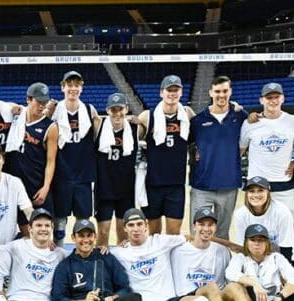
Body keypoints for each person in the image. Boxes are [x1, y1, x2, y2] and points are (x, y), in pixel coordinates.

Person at [171, 208, 267, 301]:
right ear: (194, 226)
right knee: (211, 287)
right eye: (201, 224)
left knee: (235, 286)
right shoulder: (177, 251)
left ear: (216, 228)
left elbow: (227, 285)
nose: (206, 229)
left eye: (210, 225)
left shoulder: (222, 251)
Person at [230, 177, 294, 301]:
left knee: (293, 295)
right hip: (264, 256)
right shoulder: (241, 214)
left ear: (268, 192)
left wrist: (283, 276)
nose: (256, 195)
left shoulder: (281, 211)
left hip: (293, 255)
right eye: (251, 191)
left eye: (260, 191)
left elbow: (286, 247)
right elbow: (243, 247)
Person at [188, 76, 248, 239]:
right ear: (211, 93)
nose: (221, 95)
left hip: (229, 185)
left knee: (222, 235)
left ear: (230, 92)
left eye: (225, 91)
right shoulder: (197, 121)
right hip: (201, 186)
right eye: (217, 91)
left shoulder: (241, 117)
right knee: (197, 234)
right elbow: (187, 144)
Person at [135, 75, 196, 235]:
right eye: (169, 90)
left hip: (176, 184)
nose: (172, 93)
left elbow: (200, 137)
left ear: (181, 92)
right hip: (153, 184)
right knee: (154, 234)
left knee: (173, 235)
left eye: (176, 90)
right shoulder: (147, 116)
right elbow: (130, 138)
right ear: (161, 92)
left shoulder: (188, 114)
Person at [239, 83, 294, 235]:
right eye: (269, 98)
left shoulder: (293, 121)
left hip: (284, 183)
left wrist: (293, 161)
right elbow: (240, 150)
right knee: (256, 232)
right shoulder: (249, 124)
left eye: (276, 97)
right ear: (262, 100)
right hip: (257, 185)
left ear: (283, 98)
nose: (273, 101)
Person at [51, 71, 102, 246]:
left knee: (83, 221)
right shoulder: (55, 111)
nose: (73, 88)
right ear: (62, 87)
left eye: (76, 85)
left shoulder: (90, 110)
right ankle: (59, 252)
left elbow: (96, 137)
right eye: (69, 85)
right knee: (60, 221)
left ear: (81, 88)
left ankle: (83, 252)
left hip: (83, 174)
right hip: (61, 173)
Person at [4, 82, 58, 217]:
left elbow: (51, 161)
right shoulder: (15, 117)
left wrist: (46, 187)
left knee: (42, 225)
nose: (42, 106)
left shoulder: (50, 127)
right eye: (38, 101)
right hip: (14, 183)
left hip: (36, 183)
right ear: (28, 99)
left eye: (44, 102)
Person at [95, 93, 138, 246]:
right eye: (113, 110)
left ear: (126, 109)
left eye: (120, 109)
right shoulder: (99, 128)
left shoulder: (135, 129)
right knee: (103, 232)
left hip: (126, 189)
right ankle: (100, 260)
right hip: (104, 189)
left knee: (124, 235)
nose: (117, 113)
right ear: (107, 110)